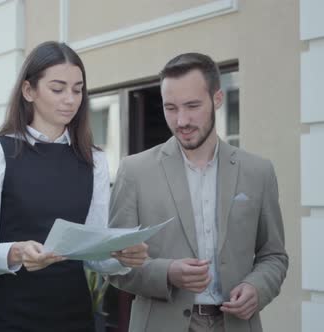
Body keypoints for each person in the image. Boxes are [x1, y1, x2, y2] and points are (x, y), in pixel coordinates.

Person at [0, 41, 149, 332]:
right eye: (58, 88)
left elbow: (95, 257)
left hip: (75, 315)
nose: (70, 99)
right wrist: (15, 252)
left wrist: (121, 257)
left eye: (78, 90)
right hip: (12, 317)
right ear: (29, 91)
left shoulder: (95, 161)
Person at [107, 52, 288, 332]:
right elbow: (116, 263)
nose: (181, 121)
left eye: (192, 106)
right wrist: (167, 273)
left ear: (217, 99)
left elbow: (273, 255)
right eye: (170, 108)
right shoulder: (134, 171)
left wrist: (257, 287)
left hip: (237, 325)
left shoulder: (259, 172)